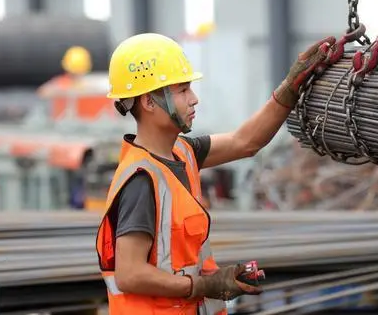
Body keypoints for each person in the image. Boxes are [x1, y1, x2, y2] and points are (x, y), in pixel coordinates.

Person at [95, 33, 336, 314]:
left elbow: (245, 142)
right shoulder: (141, 181)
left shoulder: (182, 153)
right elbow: (130, 274)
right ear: (149, 102)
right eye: (183, 90)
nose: (194, 99)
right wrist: (201, 286)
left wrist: (290, 88)